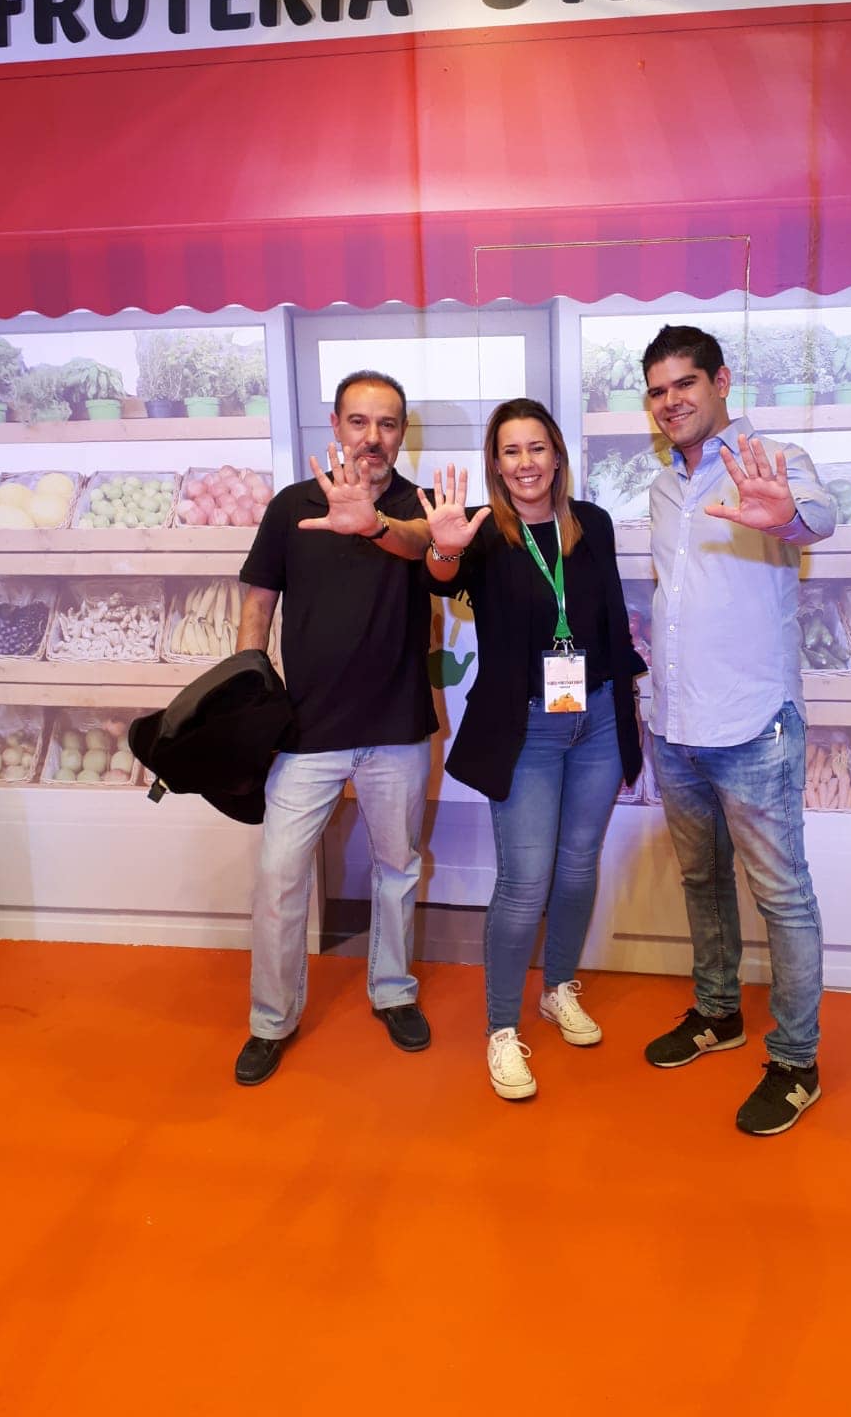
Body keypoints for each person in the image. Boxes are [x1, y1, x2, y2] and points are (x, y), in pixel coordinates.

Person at [640, 325, 834, 1135]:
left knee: (782, 896)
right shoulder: (662, 487)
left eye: (685, 383)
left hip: (755, 724)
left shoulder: (773, 459)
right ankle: (718, 1012)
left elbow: (817, 517)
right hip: (676, 725)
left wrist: (786, 517)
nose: (671, 401)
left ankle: (796, 1061)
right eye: (657, 390)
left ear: (720, 382)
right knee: (702, 880)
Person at [420, 398, 643, 1102]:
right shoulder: (484, 533)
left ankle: (559, 988)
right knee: (524, 883)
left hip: (595, 717)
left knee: (576, 869)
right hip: (526, 729)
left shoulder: (593, 524)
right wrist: (445, 547)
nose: (526, 463)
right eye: (511, 450)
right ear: (495, 462)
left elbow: (609, 617)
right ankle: (501, 1028)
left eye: (537, 447)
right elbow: (439, 576)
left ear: (557, 455)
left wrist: (628, 704)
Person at [232, 370, 436, 1085]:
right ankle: (271, 1019)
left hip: (397, 729)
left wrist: (374, 523)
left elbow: (425, 546)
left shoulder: (421, 507)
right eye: (359, 421)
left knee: (397, 870)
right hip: (307, 731)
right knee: (278, 877)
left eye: (387, 423)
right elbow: (258, 602)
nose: (373, 437)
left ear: (401, 432)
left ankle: (393, 991)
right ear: (336, 425)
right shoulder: (292, 506)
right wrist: (247, 686)